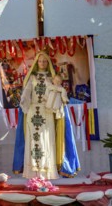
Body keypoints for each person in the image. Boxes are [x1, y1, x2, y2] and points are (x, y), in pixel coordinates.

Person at [13, 51, 80, 179]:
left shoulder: (52, 78)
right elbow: (27, 92)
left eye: (44, 61)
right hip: (33, 112)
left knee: (47, 141)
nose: (42, 63)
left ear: (48, 63)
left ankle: (46, 171)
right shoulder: (32, 78)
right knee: (33, 141)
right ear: (36, 63)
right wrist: (24, 101)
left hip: (47, 112)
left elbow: (58, 93)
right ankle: (33, 172)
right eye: (40, 61)